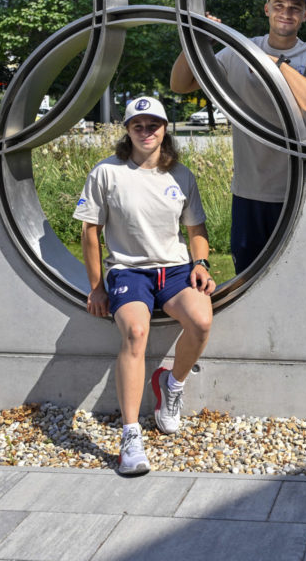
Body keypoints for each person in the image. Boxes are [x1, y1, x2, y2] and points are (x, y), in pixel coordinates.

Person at [73, 96, 216, 476]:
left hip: (173, 270)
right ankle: (131, 436)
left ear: (165, 129)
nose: (146, 131)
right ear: (127, 130)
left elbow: (196, 231)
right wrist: (96, 286)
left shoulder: (180, 175)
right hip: (128, 272)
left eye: (154, 124)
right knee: (136, 332)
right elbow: (90, 231)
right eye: (138, 124)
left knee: (201, 321)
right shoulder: (107, 172)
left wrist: (200, 263)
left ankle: (171, 385)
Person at [172, 0, 306, 272]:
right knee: (247, 275)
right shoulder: (238, 52)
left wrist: (274, 62)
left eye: (295, 7)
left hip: (296, 190)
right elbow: (181, 84)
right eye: (279, 4)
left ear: (305, 16)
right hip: (250, 191)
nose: (286, 12)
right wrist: (197, 41)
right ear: (266, 9)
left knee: (298, 275)